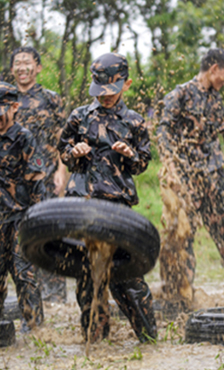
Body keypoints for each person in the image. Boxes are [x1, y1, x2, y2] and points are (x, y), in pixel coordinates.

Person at [57, 53, 156, 342]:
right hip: (83, 205)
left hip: (118, 208)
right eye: (100, 93)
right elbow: (64, 152)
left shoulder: (135, 121)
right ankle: (96, 342)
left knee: (127, 276)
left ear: (126, 85)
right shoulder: (79, 116)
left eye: (111, 92)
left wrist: (130, 154)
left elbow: (142, 163)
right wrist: (73, 153)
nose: (106, 97)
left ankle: (149, 340)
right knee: (88, 277)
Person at [157, 48, 224, 304]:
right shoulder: (181, 94)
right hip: (186, 177)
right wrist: (170, 168)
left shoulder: (216, 99)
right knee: (183, 234)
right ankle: (181, 294)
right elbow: (163, 132)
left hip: (214, 176)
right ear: (213, 69)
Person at [10, 46, 68, 303]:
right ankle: (28, 293)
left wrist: (61, 170)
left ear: (38, 67)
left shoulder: (51, 98)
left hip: (45, 177)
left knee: (50, 231)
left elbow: (63, 138)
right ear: (12, 69)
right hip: (11, 181)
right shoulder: (5, 98)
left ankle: (54, 295)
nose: (22, 67)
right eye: (18, 63)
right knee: (15, 233)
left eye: (28, 62)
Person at [0, 81, 45, 332]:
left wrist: (39, 220)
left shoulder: (23, 137)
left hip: (19, 217)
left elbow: (37, 180)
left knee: (24, 272)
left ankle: (35, 330)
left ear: (14, 107)